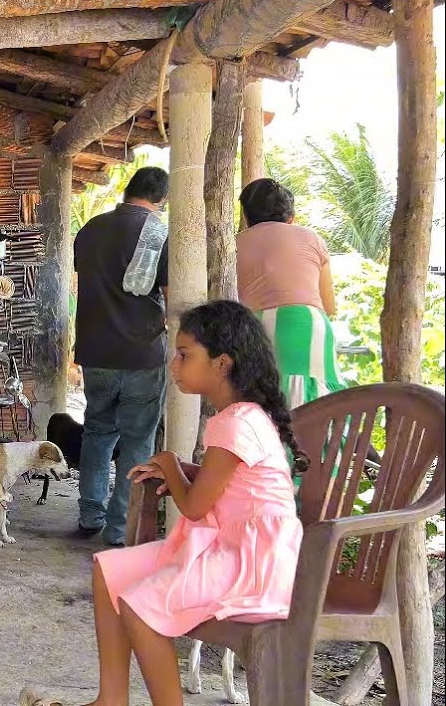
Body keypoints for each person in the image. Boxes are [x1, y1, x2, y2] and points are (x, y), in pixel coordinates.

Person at [81, 300, 306, 706]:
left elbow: (196, 507)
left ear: (222, 364)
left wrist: (169, 463)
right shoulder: (238, 417)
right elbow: (228, 484)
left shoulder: (238, 421)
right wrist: (180, 470)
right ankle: (110, 699)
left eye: (185, 355)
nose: (174, 365)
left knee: (139, 607)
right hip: (227, 550)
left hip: (251, 564)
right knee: (109, 571)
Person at [72, 166, 170, 546]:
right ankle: (118, 529)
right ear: (161, 199)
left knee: (97, 431)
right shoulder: (158, 233)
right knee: (138, 440)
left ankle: (88, 514)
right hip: (142, 352)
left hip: (96, 352)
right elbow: (171, 295)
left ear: (129, 190)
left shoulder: (90, 229)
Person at [235, 177, 344, 409]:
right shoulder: (311, 238)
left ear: (246, 216)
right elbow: (330, 306)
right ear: (290, 217)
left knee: (266, 416)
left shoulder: (235, 243)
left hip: (255, 331)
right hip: (308, 327)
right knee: (318, 413)